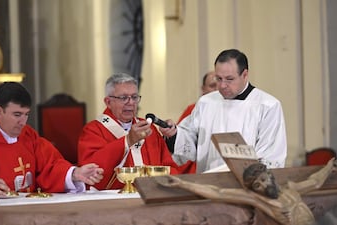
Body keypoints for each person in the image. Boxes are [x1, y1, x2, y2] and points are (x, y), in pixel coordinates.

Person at [161, 49, 287, 173]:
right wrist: (174, 135)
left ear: (245, 75)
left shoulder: (268, 106)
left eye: (229, 79)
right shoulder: (206, 102)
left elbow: (270, 156)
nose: (222, 85)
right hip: (208, 183)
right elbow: (191, 142)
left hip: (247, 188)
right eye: (219, 79)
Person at [77, 73, 194, 190]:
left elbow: (169, 167)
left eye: (134, 97)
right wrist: (127, 141)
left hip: (153, 196)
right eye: (123, 98)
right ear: (108, 102)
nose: (131, 102)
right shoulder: (93, 130)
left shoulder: (149, 128)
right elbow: (91, 171)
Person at [0, 82, 104, 198]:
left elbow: (50, 166)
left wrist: (75, 174)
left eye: (26, 114)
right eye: (17, 114)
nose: (23, 122)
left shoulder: (28, 135)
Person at [157, 158, 337, 225]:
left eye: (264, 180)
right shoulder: (258, 200)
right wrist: (183, 184)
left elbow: (314, 182)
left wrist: (329, 166)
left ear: (270, 175)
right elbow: (219, 193)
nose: (264, 186)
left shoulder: (291, 188)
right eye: (258, 185)